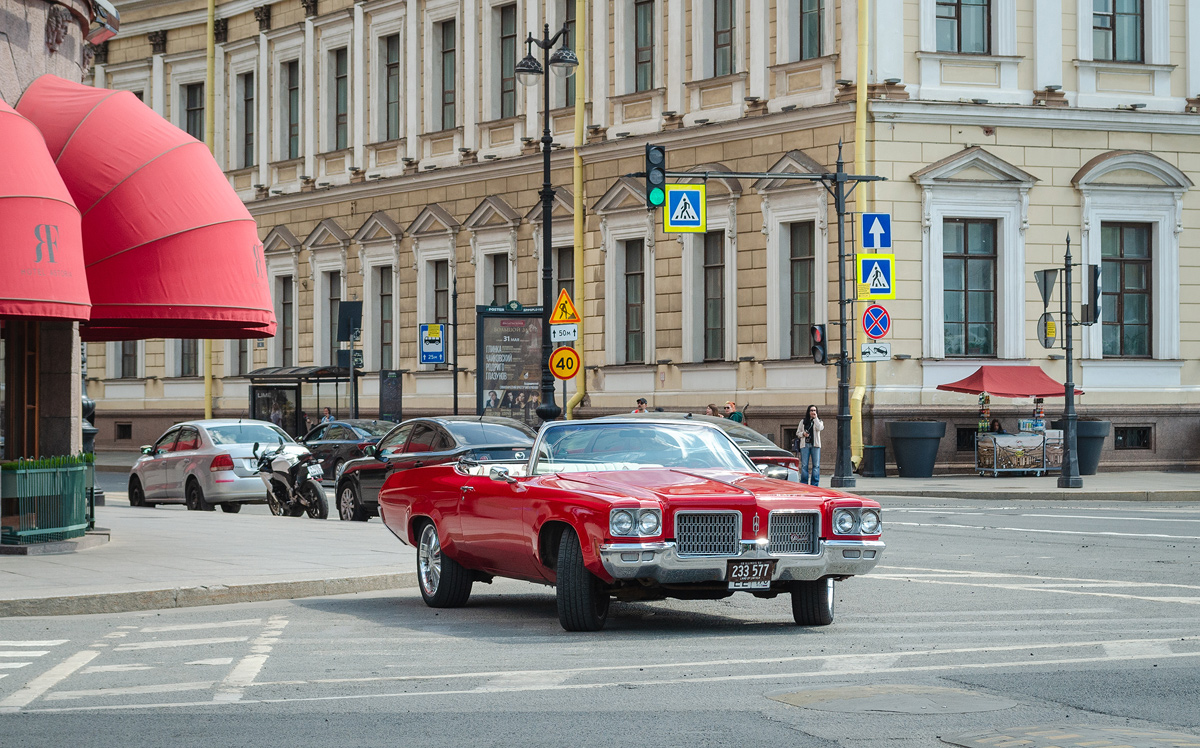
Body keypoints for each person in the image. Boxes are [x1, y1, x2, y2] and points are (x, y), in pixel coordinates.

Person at [796, 404, 824, 486]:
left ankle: (814, 484)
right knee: (804, 465)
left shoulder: (819, 421)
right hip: (805, 445)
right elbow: (797, 433)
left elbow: (820, 428)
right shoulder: (803, 422)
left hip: (815, 445)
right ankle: (804, 483)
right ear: (808, 412)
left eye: (814, 410)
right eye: (811, 410)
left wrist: (816, 419)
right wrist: (803, 434)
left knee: (816, 465)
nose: (813, 412)